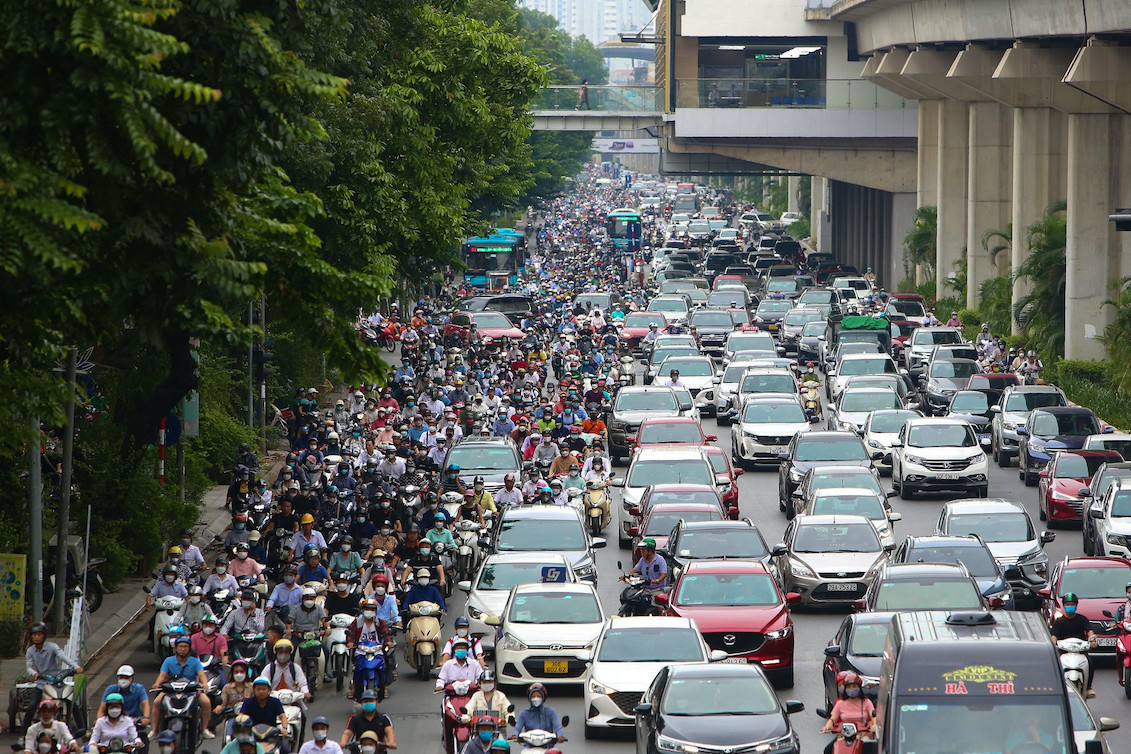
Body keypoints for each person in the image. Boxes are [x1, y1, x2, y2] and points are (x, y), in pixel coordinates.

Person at [23, 623, 82, 731]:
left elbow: (64, 657)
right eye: (34, 634)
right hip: (42, 683)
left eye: (39, 634)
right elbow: (29, 666)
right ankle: (23, 734)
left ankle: (83, 729)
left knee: (71, 702)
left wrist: (76, 667)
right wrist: (34, 673)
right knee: (32, 707)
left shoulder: (52, 647)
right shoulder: (30, 651)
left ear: (44, 636)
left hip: (56, 682)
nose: (36, 637)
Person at [152, 635, 214, 738]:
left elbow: (201, 675)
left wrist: (204, 684)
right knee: (157, 702)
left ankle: (204, 729)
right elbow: (162, 675)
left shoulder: (195, 661)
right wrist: (157, 683)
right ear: (175, 648)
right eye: (180, 646)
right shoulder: (168, 661)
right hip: (171, 689)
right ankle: (155, 730)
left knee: (206, 702)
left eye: (185, 646)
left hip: (191, 690)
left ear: (189, 648)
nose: (183, 649)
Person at [1050, 592, 1096, 697]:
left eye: (1072, 604)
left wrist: (1092, 640)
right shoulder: (1059, 621)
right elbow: (1054, 636)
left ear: (1076, 605)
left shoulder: (1082, 619)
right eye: (1067, 604)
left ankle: (1088, 687)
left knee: (1090, 663)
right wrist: (1052, 645)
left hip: (1080, 650)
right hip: (1063, 651)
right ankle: (1056, 686)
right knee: (1055, 666)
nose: (1070, 606)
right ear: (1063, 605)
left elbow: (1089, 631)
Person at [820, 672, 874, 751]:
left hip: (863, 735)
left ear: (859, 688)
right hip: (844, 735)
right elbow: (833, 719)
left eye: (854, 686)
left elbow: (873, 716)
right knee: (828, 750)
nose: (852, 689)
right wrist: (827, 726)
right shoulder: (840, 703)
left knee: (869, 747)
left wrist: (874, 726)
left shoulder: (866, 702)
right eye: (849, 687)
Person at [239, 679, 290, 754]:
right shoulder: (248, 702)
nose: (261, 692)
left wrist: (285, 728)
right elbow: (241, 717)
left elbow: (282, 716)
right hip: (252, 736)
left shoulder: (275, 702)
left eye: (264, 689)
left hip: (271, 737)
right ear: (254, 690)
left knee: (286, 751)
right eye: (258, 689)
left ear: (269, 690)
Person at [97, 665, 150, 734]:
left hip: (135, 722)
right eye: (121, 677)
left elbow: (145, 704)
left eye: (127, 677)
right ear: (117, 678)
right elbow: (102, 708)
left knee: (142, 738)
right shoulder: (110, 689)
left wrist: (146, 718)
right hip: (113, 721)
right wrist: (99, 721)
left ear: (132, 678)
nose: (124, 679)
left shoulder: (139, 688)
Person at [219, 661, 255, 734]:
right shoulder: (227, 688)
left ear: (246, 673)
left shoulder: (252, 687)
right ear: (232, 673)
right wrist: (219, 707)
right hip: (232, 717)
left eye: (242, 671)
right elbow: (223, 703)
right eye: (236, 672)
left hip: (249, 718)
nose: (239, 674)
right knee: (228, 735)